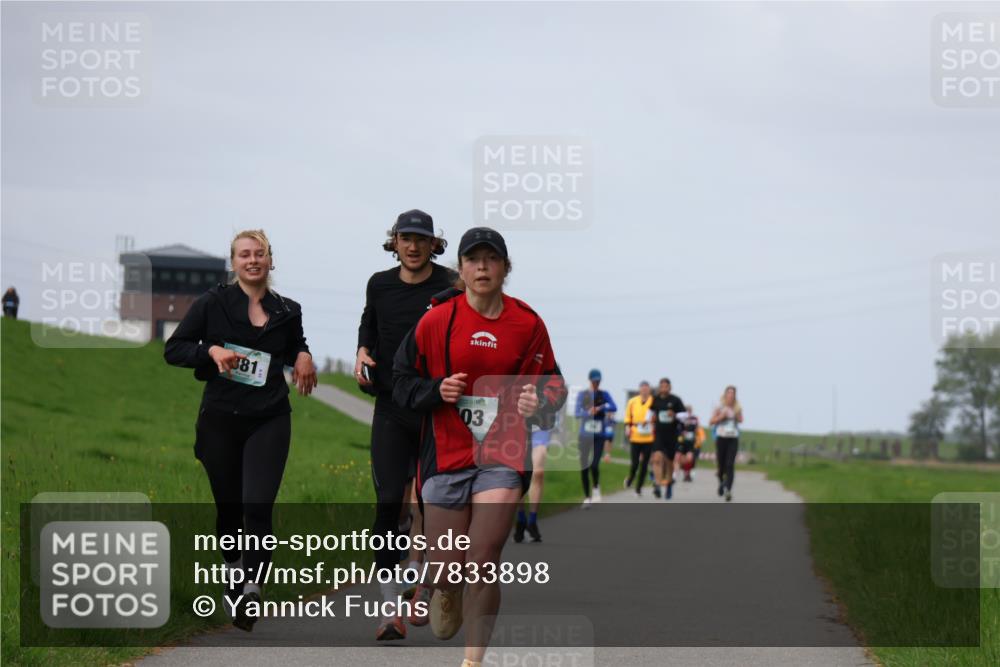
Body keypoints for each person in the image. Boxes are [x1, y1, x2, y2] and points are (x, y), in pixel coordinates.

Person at [393, 227, 566, 667]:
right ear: (462, 269)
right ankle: (444, 590)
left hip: (502, 455)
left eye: (492, 260)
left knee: (484, 557)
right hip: (447, 455)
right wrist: (436, 391)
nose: (483, 267)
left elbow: (554, 386)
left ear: (506, 269)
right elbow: (401, 382)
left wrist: (537, 402)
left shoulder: (527, 323)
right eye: (474, 260)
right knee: (449, 569)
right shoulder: (437, 320)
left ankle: (473, 661)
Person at [164, 230, 317, 631]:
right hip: (220, 419)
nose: (253, 260)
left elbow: (295, 343)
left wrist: (303, 355)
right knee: (230, 509)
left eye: (260, 254)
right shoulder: (213, 303)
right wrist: (211, 351)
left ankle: (252, 588)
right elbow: (174, 349)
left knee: (258, 506)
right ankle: (234, 569)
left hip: (269, 417)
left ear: (270, 261)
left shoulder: (287, 309)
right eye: (245, 255)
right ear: (233, 263)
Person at [355, 209, 455, 640]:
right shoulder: (378, 283)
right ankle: (388, 608)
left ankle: (420, 575)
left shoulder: (452, 284)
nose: (412, 246)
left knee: (432, 503)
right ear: (393, 242)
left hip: (436, 408)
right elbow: (369, 322)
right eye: (405, 238)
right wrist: (361, 349)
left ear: (434, 244)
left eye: (421, 239)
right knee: (388, 500)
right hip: (391, 405)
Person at [575, 369, 617, 508]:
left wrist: (600, 408)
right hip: (584, 435)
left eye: (598, 381)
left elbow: (614, 406)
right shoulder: (583, 394)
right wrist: (588, 412)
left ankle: (596, 486)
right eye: (594, 381)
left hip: (599, 435)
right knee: (584, 467)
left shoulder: (604, 394)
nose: (596, 383)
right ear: (590, 380)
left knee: (594, 464)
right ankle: (587, 497)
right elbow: (576, 412)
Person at [513, 418, 556, 542]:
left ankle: (532, 521)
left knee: (538, 472)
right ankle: (521, 519)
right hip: (517, 425)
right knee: (519, 472)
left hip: (540, 425)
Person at [648, 378, 685, 500]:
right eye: (661, 386)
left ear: (670, 388)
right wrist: (649, 419)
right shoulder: (655, 399)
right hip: (659, 434)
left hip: (672, 435)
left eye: (666, 386)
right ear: (659, 387)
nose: (663, 388)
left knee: (669, 462)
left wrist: (675, 414)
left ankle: (669, 484)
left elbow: (684, 415)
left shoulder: (675, 400)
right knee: (657, 458)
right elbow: (649, 412)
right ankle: (658, 485)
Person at [710, 386, 743, 502]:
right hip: (721, 438)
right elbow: (711, 421)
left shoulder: (737, 407)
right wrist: (721, 417)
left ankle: (728, 489)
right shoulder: (719, 407)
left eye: (732, 394)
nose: (730, 395)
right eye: (728, 393)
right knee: (721, 466)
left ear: (734, 396)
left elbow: (741, 420)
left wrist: (736, 415)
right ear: (725, 395)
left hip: (733, 438)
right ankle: (721, 483)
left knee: (730, 464)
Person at [622, 381, 654, 496]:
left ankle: (639, 488)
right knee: (635, 463)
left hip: (649, 437)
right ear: (639, 390)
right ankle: (630, 478)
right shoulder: (632, 402)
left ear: (649, 390)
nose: (645, 390)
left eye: (647, 388)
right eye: (643, 388)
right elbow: (627, 417)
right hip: (635, 435)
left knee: (645, 464)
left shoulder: (653, 402)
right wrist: (627, 428)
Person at [676, 405, 703, 482]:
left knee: (690, 458)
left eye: (689, 411)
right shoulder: (680, 419)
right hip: (681, 442)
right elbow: (677, 428)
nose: (688, 413)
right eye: (686, 411)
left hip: (691, 442)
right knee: (681, 458)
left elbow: (697, 429)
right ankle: (684, 473)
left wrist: (698, 439)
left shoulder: (694, 419)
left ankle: (688, 474)